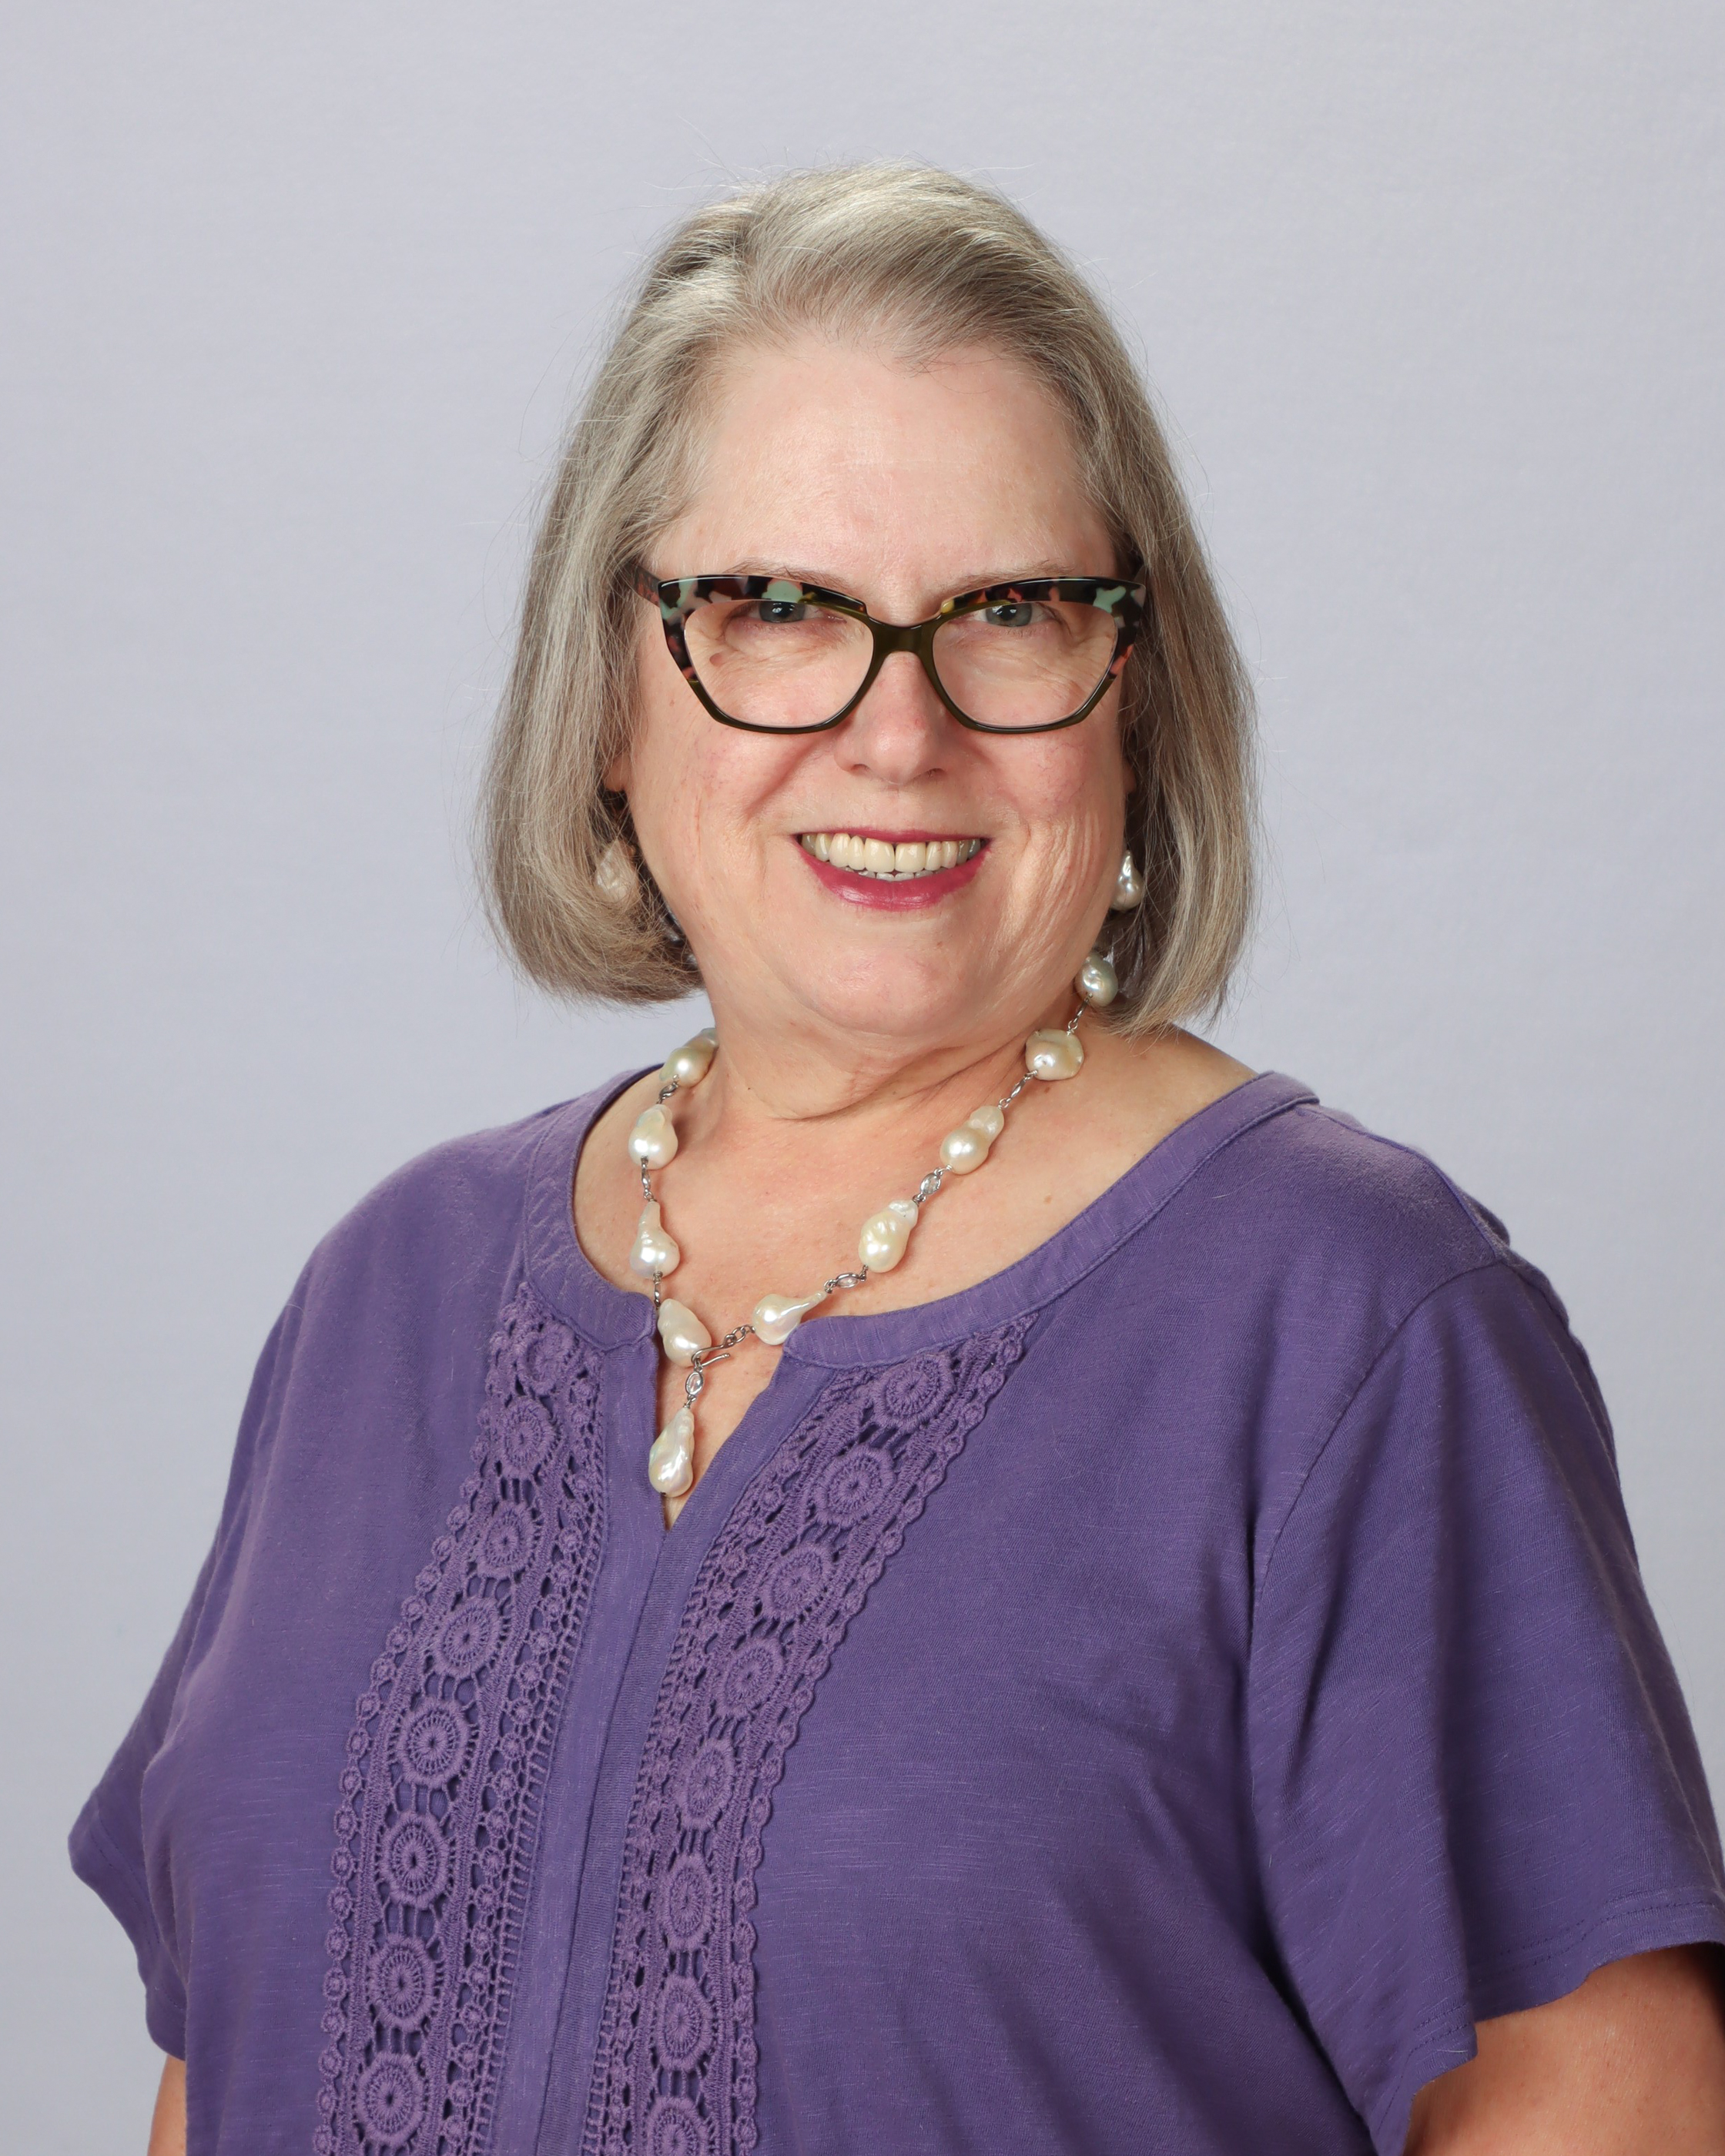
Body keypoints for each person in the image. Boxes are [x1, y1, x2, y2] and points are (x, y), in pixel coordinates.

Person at [75, 163, 1725, 2156]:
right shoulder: (385, 1296)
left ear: (1136, 693)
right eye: (776, 609)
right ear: (611, 693)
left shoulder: (1349, 1325)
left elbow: (1616, 2113)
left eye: (1011, 613)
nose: (898, 730)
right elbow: (216, 2081)